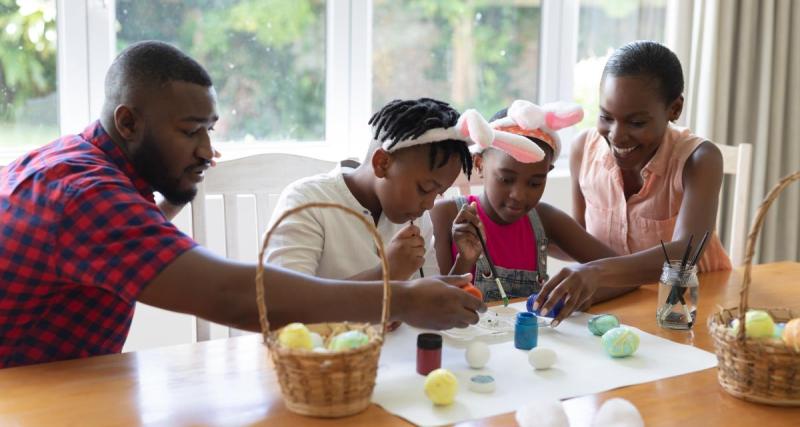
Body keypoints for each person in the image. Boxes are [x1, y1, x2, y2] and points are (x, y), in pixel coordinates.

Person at [0, 41, 483, 368]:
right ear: (127, 122)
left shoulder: (73, 164)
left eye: (210, 130)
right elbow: (231, 297)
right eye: (190, 131)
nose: (208, 151)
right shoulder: (88, 197)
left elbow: (107, 237)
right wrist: (400, 296)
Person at [534, 41, 732, 323]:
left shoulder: (699, 159)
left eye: (637, 123)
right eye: (606, 117)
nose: (617, 135)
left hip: (693, 311)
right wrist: (523, 232)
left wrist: (595, 272)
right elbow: (580, 239)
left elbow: (684, 256)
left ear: (674, 108)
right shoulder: (584, 150)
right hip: (624, 307)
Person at [265, 98, 474, 282]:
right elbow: (284, 304)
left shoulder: (416, 216)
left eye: (438, 193)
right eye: (424, 188)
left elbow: (427, 296)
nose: (429, 204)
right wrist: (385, 274)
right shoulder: (307, 202)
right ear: (382, 163)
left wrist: (463, 262)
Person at [431, 100, 617, 306]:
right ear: (479, 164)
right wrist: (465, 260)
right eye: (506, 179)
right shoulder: (445, 215)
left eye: (535, 183)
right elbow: (436, 306)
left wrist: (572, 298)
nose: (519, 195)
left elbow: (621, 272)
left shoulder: (546, 219)